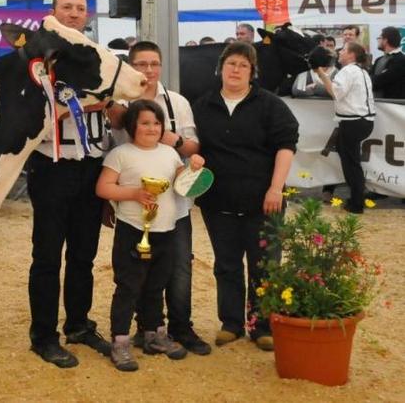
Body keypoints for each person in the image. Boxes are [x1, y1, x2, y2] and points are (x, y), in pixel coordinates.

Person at [192, 41, 299, 351]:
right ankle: (231, 323)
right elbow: (194, 146)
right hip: (218, 202)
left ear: (253, 73)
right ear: (220, 68)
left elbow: (286, 146)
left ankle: (262, 324)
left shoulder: (271, 105)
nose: (236, 70)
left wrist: (275, 188)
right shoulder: (203, 105)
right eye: (231, 64)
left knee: (265, 264)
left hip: (264, 200)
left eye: (243, 65)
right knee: (226, 265)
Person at [108, 41, 211, 356]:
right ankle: (138, 331)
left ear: (161, 66)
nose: (148, 70)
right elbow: (110, 148)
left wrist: (175, 141)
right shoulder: (119, 103)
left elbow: (193, 146)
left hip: (174, 208)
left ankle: (179, 326)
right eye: (141, 64)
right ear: (130, 66)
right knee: (135, 273)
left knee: (177, 268)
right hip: (133, 209)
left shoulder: (177, 102)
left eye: (154, 64)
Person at [27, 0, 111, 369]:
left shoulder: (100, 57)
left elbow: (116, 104)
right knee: (47, 255)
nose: (75, 14)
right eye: (67, 7)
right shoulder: (35, 60)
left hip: (92, 163)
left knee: (84, 254)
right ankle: (43, 335)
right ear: (53, 12)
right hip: (51, 164)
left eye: (80, 8)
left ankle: (79, 324)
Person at [96, 99, 204, 371]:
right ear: (132, 125)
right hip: (132, 230)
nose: (152, 128)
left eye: (156, 123)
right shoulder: (121, 154)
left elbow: (184, 184)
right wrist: (133, 193)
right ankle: (120, 340)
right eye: (145, 122)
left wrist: (194, 168)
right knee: (129, 286)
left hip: (165, 230)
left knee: (157, 284)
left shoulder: (169, 154)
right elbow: (103, 188)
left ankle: (153, 333)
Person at [313, 42, 376, 214]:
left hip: (353, 122)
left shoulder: (347, 71)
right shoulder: (361, 71)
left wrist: (320, 73)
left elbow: (335, 93)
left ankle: (356, 204)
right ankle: (356, 199)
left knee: (351, 163)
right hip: (362, 121)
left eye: (344, 50)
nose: (340, 52)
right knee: (349, 159)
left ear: (352, 55)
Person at [371, 26, 405, 99]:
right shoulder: (378, 60)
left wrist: (376, 79)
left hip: (393, 106)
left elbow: (381, 81)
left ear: (385, 40)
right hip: (376, 104)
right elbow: (369, 80)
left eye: (379, 38)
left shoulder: (401, 60)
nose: (378, 41)